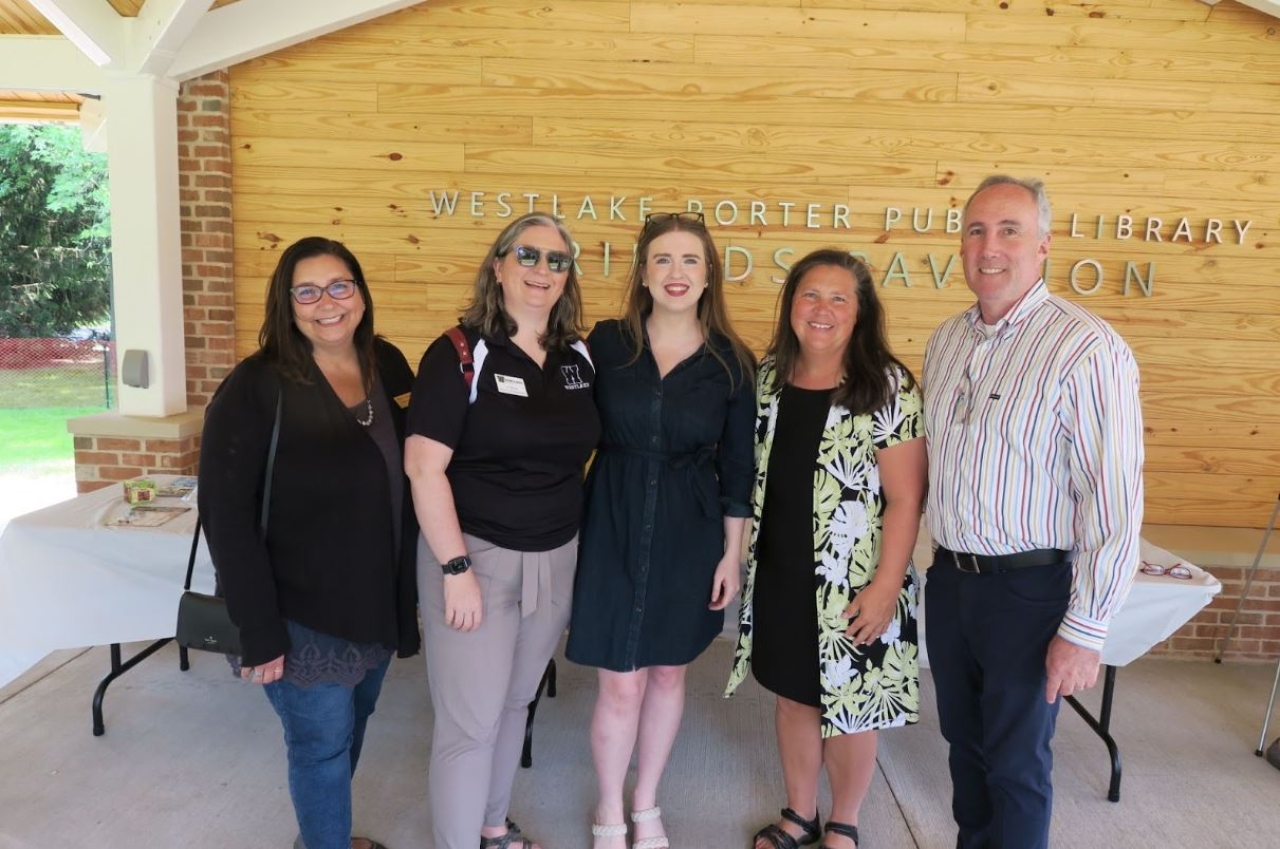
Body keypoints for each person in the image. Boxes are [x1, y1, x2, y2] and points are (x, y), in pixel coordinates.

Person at [922, 175, 1144, 849]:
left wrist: (1086, 627)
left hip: (1030, 592)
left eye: (1009, 230)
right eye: (976, 230)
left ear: (1044, 245)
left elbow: (1114, 501)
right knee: (965, 748)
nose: (990, 247)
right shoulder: (946, 341)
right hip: (952, 582)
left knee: (1018, 765)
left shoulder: (1086, 347)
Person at [198, 236, 420, 849]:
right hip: (298, 615)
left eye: (340, 285)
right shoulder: (257, 386)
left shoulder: (388, 363)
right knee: (320, 747)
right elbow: (226, 516)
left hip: (375, 604)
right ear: (287, 302)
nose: (328, 302)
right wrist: (259, 630)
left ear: (361, 292)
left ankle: (322, 838)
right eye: (308, 290)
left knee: (355, 723)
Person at [405, 212, 601, 849]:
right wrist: (455, 571)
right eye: (528, 255)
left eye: (557, 260)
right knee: (470, 725)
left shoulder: (580, 356)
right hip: (477, 560)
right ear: (498, 265)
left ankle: (492, 827)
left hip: (556, 557)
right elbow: (423, 466)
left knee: (516, 703)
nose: (542, 270)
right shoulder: (461, 352)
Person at [566, 211, 756, 849]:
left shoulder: (731, 362)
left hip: (691, 529)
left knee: (670, 671)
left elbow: (738, 470)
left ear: (709, 278)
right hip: (612, 518)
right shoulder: (606, 345)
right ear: (644, 273)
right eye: (664, 261)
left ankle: (645, 803)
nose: (677, 274)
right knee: (620, 677)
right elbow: (561, 428)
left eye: (691, 262)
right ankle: (608, 810)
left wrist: (733, 556)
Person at [726, 249, 927, 849]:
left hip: (857, 582)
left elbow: (906, 498)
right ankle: (799, 813)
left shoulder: (887, 384)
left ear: (861, 313)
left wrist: (886, 585)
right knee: (794, 698)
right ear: (791, 305)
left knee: (851, 706)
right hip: (781, 575)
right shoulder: (767, 380)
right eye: (811, 295)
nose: (822, 309)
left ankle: (844, 820)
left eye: (840, 298)